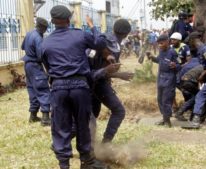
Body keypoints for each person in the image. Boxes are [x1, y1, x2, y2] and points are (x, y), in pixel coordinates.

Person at [40, 5, 107, 169]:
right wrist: (93, 27)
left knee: (61, 126)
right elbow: (100, 43)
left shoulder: (45, 42)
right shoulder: (80, 35)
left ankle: (64, 165)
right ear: (69, 19)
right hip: (79, 86)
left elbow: (47, 66)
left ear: (53, 21)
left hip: (58, 87)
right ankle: (86, 162)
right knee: (82, 124)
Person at [88, 19, 133, 143]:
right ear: (126, 34)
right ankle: (103, 144)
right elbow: (100, 71)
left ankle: (98, 144)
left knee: (92, 115)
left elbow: (103, 69)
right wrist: (119, 75)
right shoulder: (111, 45)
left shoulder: (104, 39)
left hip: (94, 82)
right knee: (117, 111)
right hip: (95, 83)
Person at [21, 17, 51, 126]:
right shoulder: (38, 38)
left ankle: (33, 116)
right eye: (45, 28)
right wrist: (48, 69)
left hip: (27, 65)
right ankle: (45, 118)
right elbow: (41, 56)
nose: (45, 31)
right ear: (42, 27)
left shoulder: (29, 33)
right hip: (35, 65)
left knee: (32, 89)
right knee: (43, 89)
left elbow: (23, 47)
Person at [149, 34, 180, 127]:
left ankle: (167, 121)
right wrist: (151, 57)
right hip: (160, 77)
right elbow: (159, 60)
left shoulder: (173, 52)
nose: (160, 45)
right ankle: (164, 117)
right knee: (160, 99)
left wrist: (175, 66)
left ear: (167, 41)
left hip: (169, 78)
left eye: (161, 43)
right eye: (158, 44)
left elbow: (179, 65)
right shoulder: (161, 51)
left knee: (167, 99)